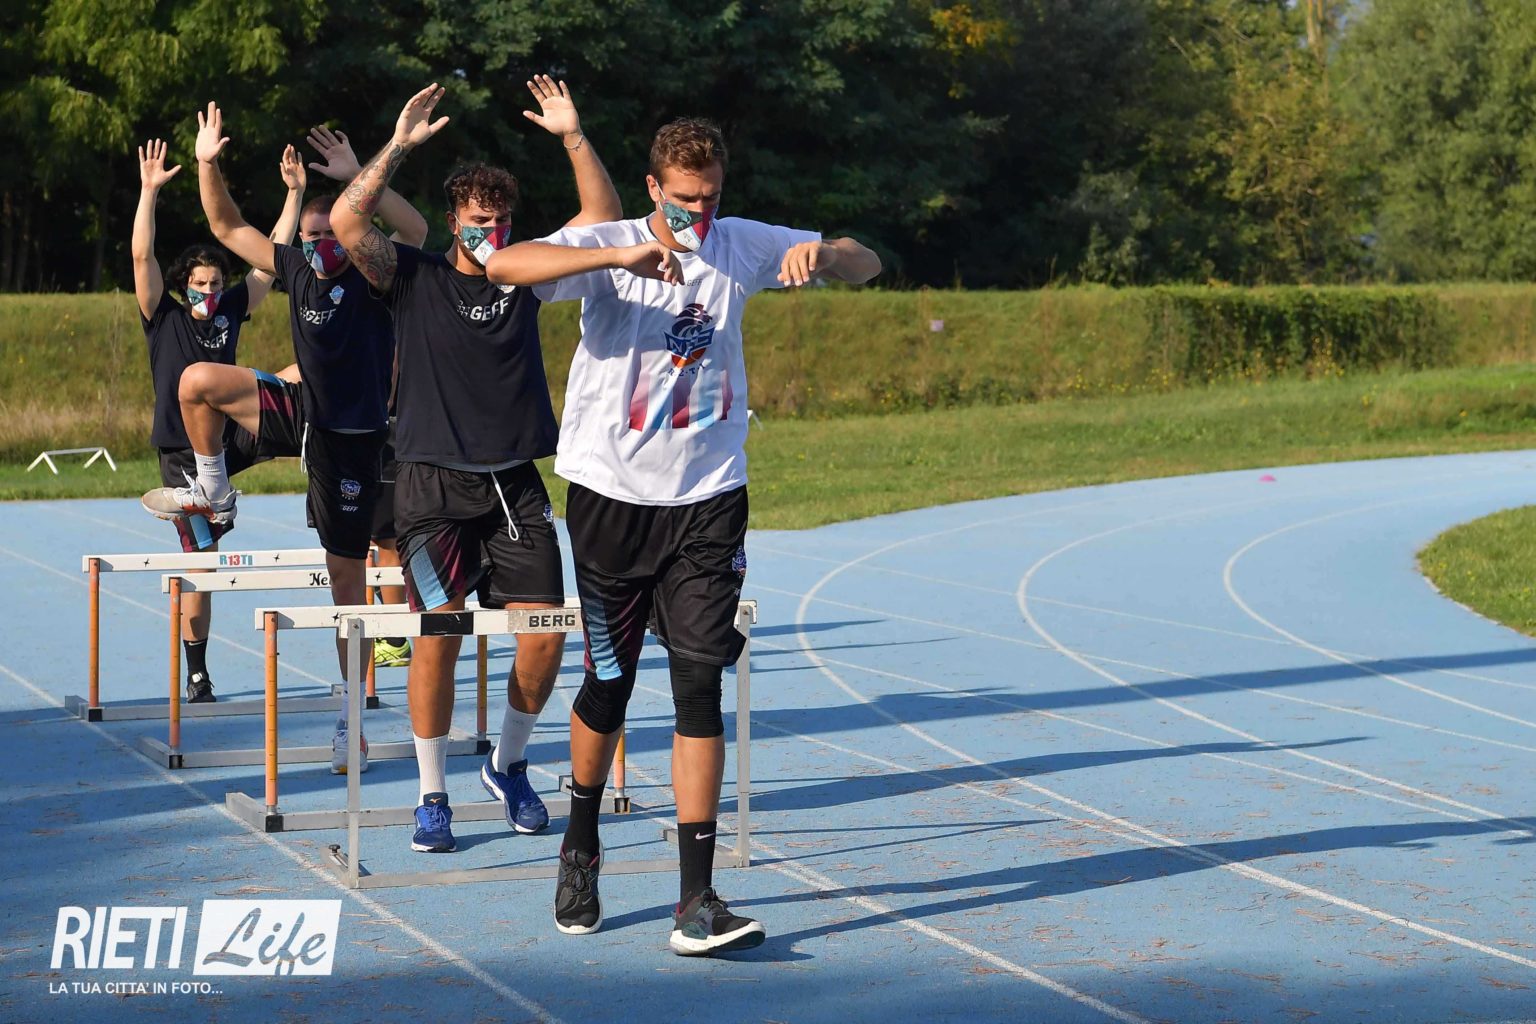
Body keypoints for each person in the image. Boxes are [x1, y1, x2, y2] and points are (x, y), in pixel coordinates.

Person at [485, 117, 882, 954]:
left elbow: (866, 260)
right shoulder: (613, 245)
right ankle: (581, 844)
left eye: (711, 198)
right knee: (610, 684)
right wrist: (620, 255)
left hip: (709, 499)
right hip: (611, 499)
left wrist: (826, 256)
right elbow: (503, 266)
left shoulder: (739, 245)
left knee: (699, 687)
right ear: (654, 187)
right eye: (685, 199)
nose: (699, 213)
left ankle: (696, 901)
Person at [330, 78, 622, 852]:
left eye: (499, 221)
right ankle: (432, 795)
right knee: (440, 630)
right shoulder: (413, 276)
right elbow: (348, 221)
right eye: (477, 221)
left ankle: (508, 764)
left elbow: (602, 217)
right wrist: (398, 144)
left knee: (547, 634)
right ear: (455, 220)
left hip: (514, 484)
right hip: (430, 485)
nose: (489, 232)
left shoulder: (523, 274)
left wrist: (572, 135)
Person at [141, 104, 428, 770]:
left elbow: (415, 228)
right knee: (196, 382)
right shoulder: (296, 269)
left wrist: (365, 172)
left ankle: (350, 716)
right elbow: (225, 225)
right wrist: (207, 163)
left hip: (358, 436)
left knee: (346, 581)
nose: (320, 244)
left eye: (330, 233)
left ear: (351, 234)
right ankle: (214, 490)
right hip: (304, 412)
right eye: (310, 235)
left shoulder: (375, 273)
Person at [132, 135, 301, 704]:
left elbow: (272, 260)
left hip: (235, 433)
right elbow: (142, 257)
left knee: (303, 371)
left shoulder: (230, 310)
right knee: (202, 566)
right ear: (184, 286)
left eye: (215, 284)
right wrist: (149, 192)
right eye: (199, 285)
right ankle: (198, 672)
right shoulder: (164, 316)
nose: (208, 292)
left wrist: (294, 195)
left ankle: (337, 449)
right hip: (186, 455)